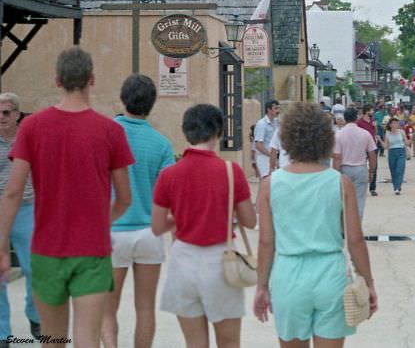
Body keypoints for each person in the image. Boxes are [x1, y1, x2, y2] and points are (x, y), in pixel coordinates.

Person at [0, 47, 134, 348]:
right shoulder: (110, 131)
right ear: (92, 79)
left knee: (52, 338)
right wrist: (101, 221)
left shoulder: (31, 127)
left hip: (47, 248)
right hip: (92, 249)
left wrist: (2, 245)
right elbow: (125, 198)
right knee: (87, 338)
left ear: (57, 80)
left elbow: (12, 191)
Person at [253, 102, 378, 344]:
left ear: (286, 139)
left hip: (288, 276)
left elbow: (266, 242)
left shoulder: (270, 185)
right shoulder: (340, 183)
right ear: (325, 139)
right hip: (331, 275)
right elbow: (355, 240)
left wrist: (261, 286)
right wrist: (368, 282)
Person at [152, 104, 256, 348]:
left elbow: (157, 227)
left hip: (182, 262)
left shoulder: (169, 174)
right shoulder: (231, 171)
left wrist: (183, 216)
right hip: (221, 262)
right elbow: (250, 221)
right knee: (229, 342)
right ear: (218, 131)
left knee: (195, 343)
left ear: (185, 131)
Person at [101, 75, 175, 348]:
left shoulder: (106, 134)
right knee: (145, 308)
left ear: (123, 98)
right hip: (148, 232)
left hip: (112, 230)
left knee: (107, 309)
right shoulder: (161, 143)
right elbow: (168, 195)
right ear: (152, 103)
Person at [0, 93, 40, 343]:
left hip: (26, 210)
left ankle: (35, 316)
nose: (1, 117)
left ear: (17, 114)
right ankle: (2, 332)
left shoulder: (29, 139)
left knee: (34, 268)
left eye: (6, 112)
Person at [333, 108, 377, 219]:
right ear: (356, 117)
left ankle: (345, 224)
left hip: (344, 169)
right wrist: (371, 171)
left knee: (344, 199)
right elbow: (372, 154)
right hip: (361, 168)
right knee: (359, 200)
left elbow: (337, 157)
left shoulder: (338, 135)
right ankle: (357, 224)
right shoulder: (365, 134)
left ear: (345, 118)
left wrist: (334, 173)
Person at [357, 105, 381, 198]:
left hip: (373, 146)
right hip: (362, 147)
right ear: (367, 111)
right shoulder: (359, 122)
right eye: (371, 110)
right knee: (361, 166)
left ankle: (372, 188)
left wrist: (375, 127)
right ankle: (361, 186)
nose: (372, 112)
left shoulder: (372, 121)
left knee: (374, 166)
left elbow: (375, 133)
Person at [384, 118, 411, 195]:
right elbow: (386, 146)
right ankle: (396, 186)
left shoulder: (401, 132)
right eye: (394, 123)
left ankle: (398, 186)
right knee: (393, 170)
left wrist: (411, 138)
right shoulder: (387, 133)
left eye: (397, 123)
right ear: (390, 125)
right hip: (392, 152)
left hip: (401, 151)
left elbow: (406, 142)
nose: (395, 125)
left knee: (400, 169)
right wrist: (379, 140)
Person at [254, 100, 280, 179]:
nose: (278, 111)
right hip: (263, 157)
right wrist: (271, 156)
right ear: (269, 110)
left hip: (272, 157)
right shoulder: (262, 124)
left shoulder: (276, 122)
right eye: (276, 108)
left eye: (278, 108)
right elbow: (258, 145)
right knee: (266, 181)